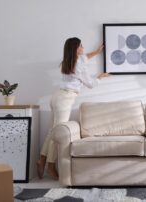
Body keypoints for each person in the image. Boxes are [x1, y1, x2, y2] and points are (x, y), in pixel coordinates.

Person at [36, 37, 109, 180]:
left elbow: (85, 57)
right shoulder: (78, 66)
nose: (83, 48)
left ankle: (42, 160)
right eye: (81, 46)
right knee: (57, 133)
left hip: (57, 96)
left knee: (52, 131)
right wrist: (100, 77)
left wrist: (97, 52)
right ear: (76, 49)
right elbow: (91, 84)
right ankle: (50, 165)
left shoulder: (69, 61)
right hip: (65, 99)